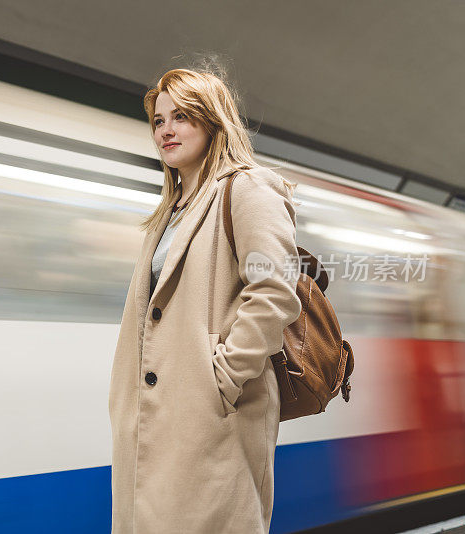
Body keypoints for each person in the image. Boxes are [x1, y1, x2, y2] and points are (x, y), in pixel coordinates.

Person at [108, 67, 303, 533]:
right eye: (158, 120)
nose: (166, 130)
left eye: (182, 117)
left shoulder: (247, 188)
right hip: (157, 417)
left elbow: (275, 289)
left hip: (211, 417)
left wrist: (223, 378)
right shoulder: (171, 210)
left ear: (212, 121)